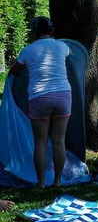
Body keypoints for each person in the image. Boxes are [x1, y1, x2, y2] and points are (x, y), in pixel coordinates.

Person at [9, 16, 72, 188]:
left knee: (40, 142)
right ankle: (58, 181)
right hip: (63, 94)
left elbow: (15, 70)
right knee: (59, 140)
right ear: (52, 31)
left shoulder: (28, 50)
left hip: (39, 97)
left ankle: (41, 183)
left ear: (34, 32)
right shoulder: (61, 46)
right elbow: (71, 54)